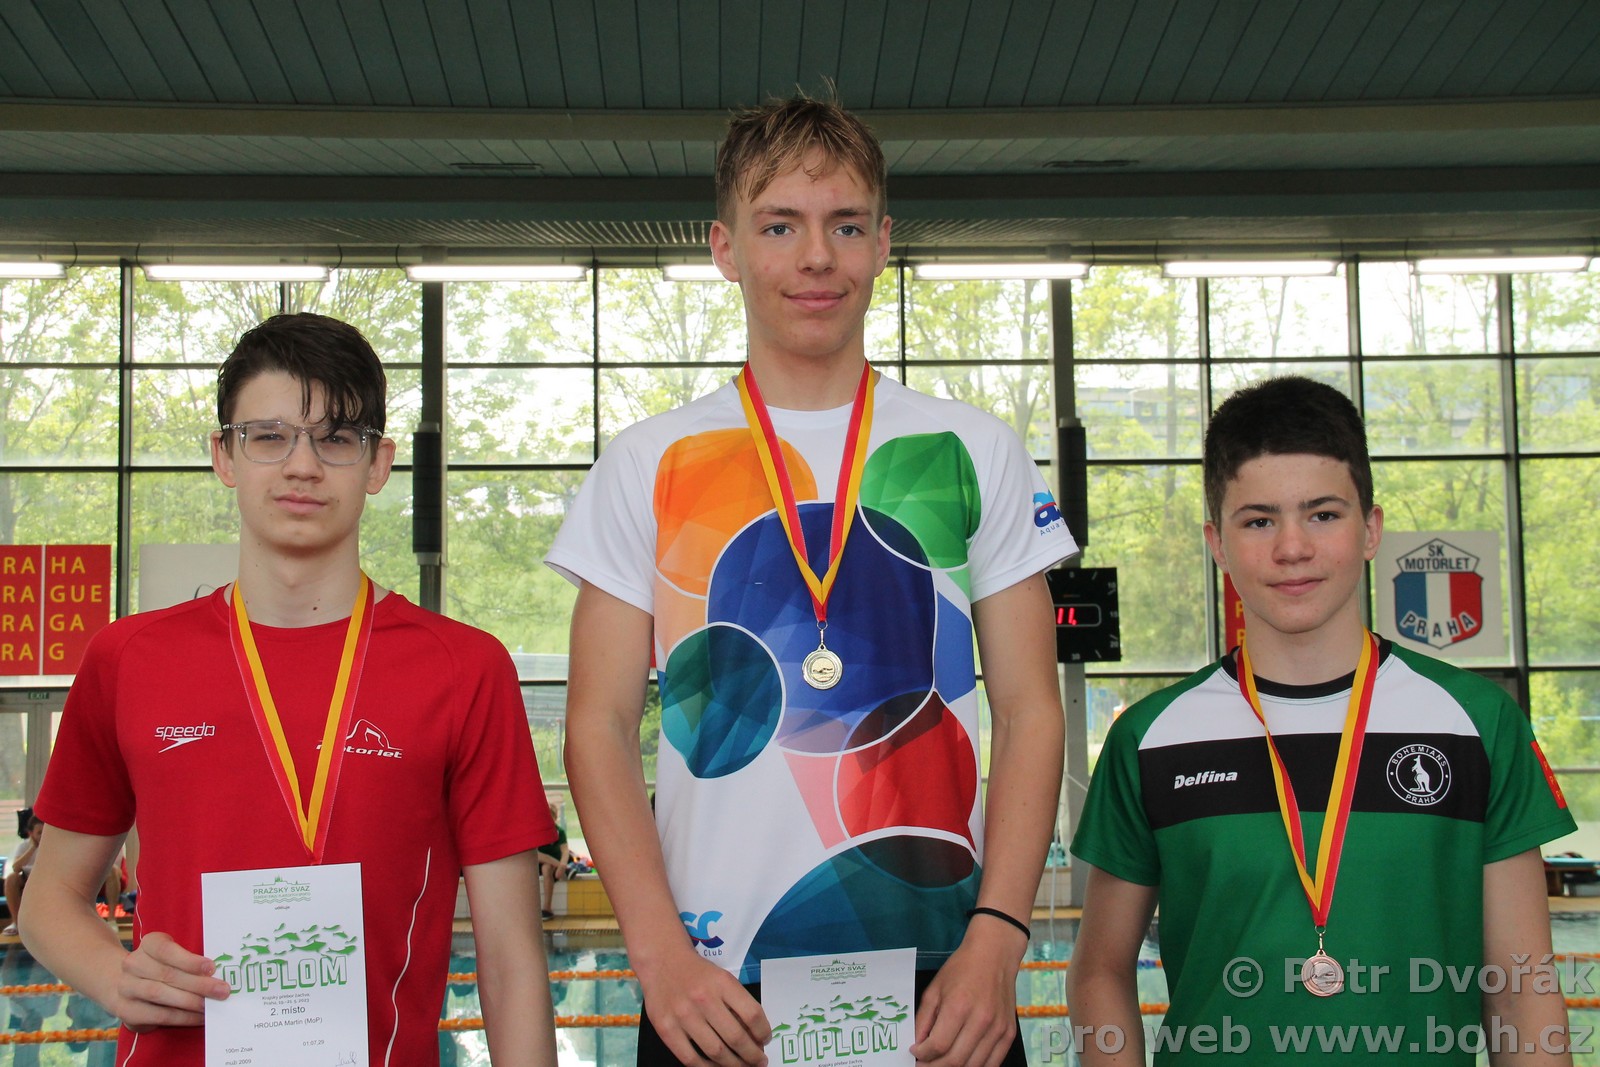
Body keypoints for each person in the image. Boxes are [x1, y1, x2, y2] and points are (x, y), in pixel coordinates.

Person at [550, 93, 1076, 1067]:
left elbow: (1030, 708)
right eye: (779, 226)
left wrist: (1000, 938)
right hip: (712, 984)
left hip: (943, 977)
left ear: (883, 242)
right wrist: (658, 955)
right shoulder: (650, 462)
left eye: (845, 225)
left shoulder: (972, 449)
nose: (817, 257)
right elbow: (597, 724)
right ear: (725, 247)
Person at [20, 312, 560, 1067]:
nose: (302, 465)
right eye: (268, 436)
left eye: (336, 438)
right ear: (224, 455)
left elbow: (510, 959)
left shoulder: (463, 668)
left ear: (377, 463)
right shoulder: (129, 658)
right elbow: (48, 900)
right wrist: (114, 975)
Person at [1069, 376, 1576, 1065]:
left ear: (1371, 528)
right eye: (1258, 521)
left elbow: (1520, 986)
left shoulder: (1476, 724)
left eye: (1323, 514)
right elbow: (1099, 971)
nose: (1292, 548)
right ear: (1217, 542)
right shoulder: (1152, 737)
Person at [3, 811, 42, 936]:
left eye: (45, 833)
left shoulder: (52, 846)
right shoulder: (24, 846)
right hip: (27, 878)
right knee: (11, 879)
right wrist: (33, 848)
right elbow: (16, 867)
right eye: (39, 833)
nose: (42, 836)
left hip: (45, 879)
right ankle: (17, 922)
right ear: (31, 833)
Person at [537, 798, 570, 921]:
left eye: (550, 818)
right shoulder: (537, 832)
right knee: (537, 857)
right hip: (538, 861)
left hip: (551, 866)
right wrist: (561, 865)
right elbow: (535, 855)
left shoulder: (559, 832)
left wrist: (562, 864)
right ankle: (566, 870)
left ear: (555, 818)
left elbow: (565, 851)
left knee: (546, 868)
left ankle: (547, 908)